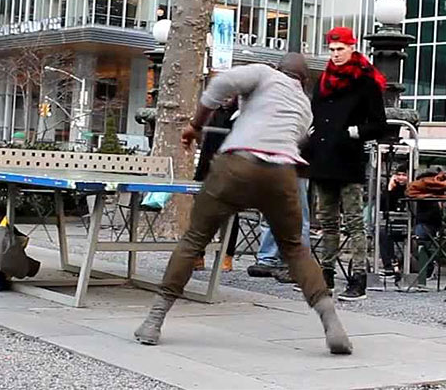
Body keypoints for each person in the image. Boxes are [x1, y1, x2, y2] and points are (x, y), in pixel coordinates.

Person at [134, 53, 353, 355]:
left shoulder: (264, 74)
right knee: (294, 249)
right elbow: (298, 140)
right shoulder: (305, 106)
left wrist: (196, 126)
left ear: (279, 69)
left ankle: (153, 321)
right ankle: (332, 323)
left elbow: (221, 83)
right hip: (282, 175)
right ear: (304, 81)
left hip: (237, 164)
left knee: (195, 240)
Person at [305, 27, 387, 302]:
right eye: (332, 49)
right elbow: (316, 111)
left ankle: (358, 279)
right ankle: (325, 275)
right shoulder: (324, 79)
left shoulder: (365, 80)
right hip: (324, 156)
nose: (336, 54)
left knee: (354, 222)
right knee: (327, 220)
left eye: (340, 49)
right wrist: (314, 131)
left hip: (348, 158)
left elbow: (379, 124)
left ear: (352, 47)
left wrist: (354, 132)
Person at [192, 97, 240, 273]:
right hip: (209, 169)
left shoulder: (242, 115)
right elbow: (206, 148)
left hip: (232, 170)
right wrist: (199, 176)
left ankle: (227, 256)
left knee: (230, 216)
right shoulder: (213, 113)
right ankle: (198, 255)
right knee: (202, 214)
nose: (226, 98)